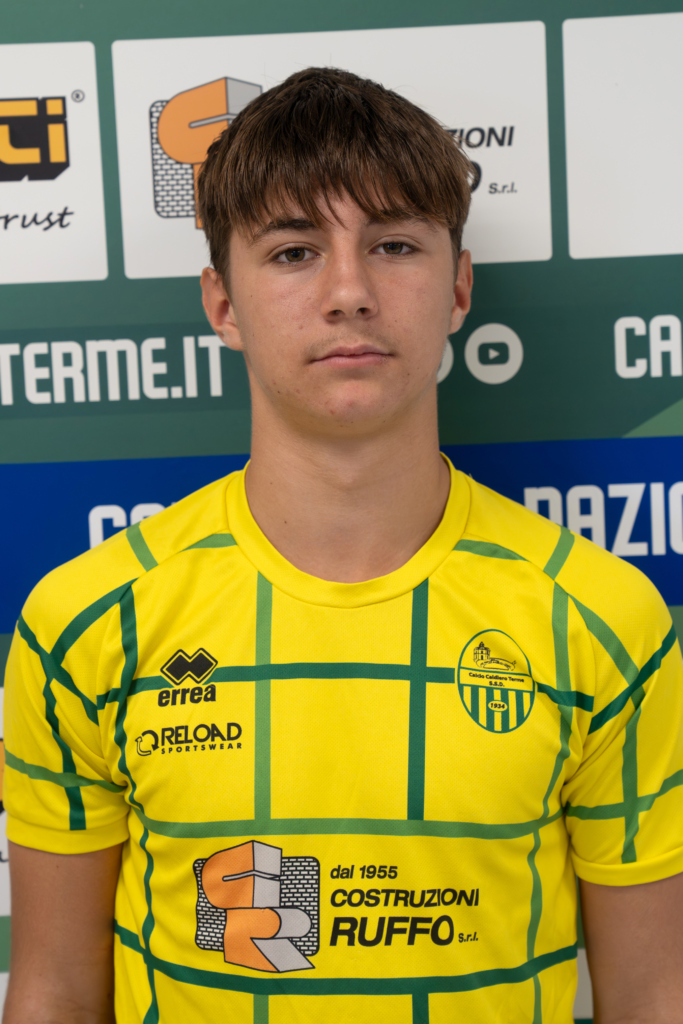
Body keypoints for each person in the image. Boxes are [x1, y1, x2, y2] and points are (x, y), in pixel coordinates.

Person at [3, 66, 683, 1024]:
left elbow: (653, 995)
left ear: (457, 286)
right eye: (293, 252)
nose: (350, 291)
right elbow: (56, 992)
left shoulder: (601, 619)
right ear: (222, 305)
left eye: (393, 245)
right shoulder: (89, 620)